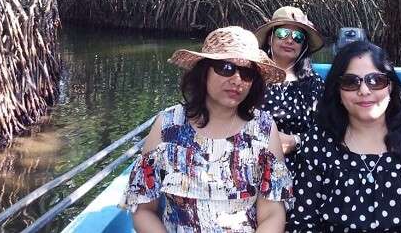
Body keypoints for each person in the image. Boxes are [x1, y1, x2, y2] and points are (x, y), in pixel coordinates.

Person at [121, 26, 294, 233]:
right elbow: (143, 208)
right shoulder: (168, 124)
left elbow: (272, 213)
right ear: (204, 72)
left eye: (247, 73)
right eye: (226, 68)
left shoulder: (264, 129)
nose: (237, 80)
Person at [288, 40, 401, 232]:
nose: (364, 91)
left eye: (376, 80)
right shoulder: (320, 141)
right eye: (350, 82)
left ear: (390, 86)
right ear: (337, 90)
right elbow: (302, 222)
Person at [254, 6, 324, 169]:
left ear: (303, 45)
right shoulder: (250, 77)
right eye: (283, 34)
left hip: (300, 165)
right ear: (270, 38)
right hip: (252, 160)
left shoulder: (314, 83)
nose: (290, 40)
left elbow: (328, 132)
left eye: (298, 37)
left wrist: (295, 141)